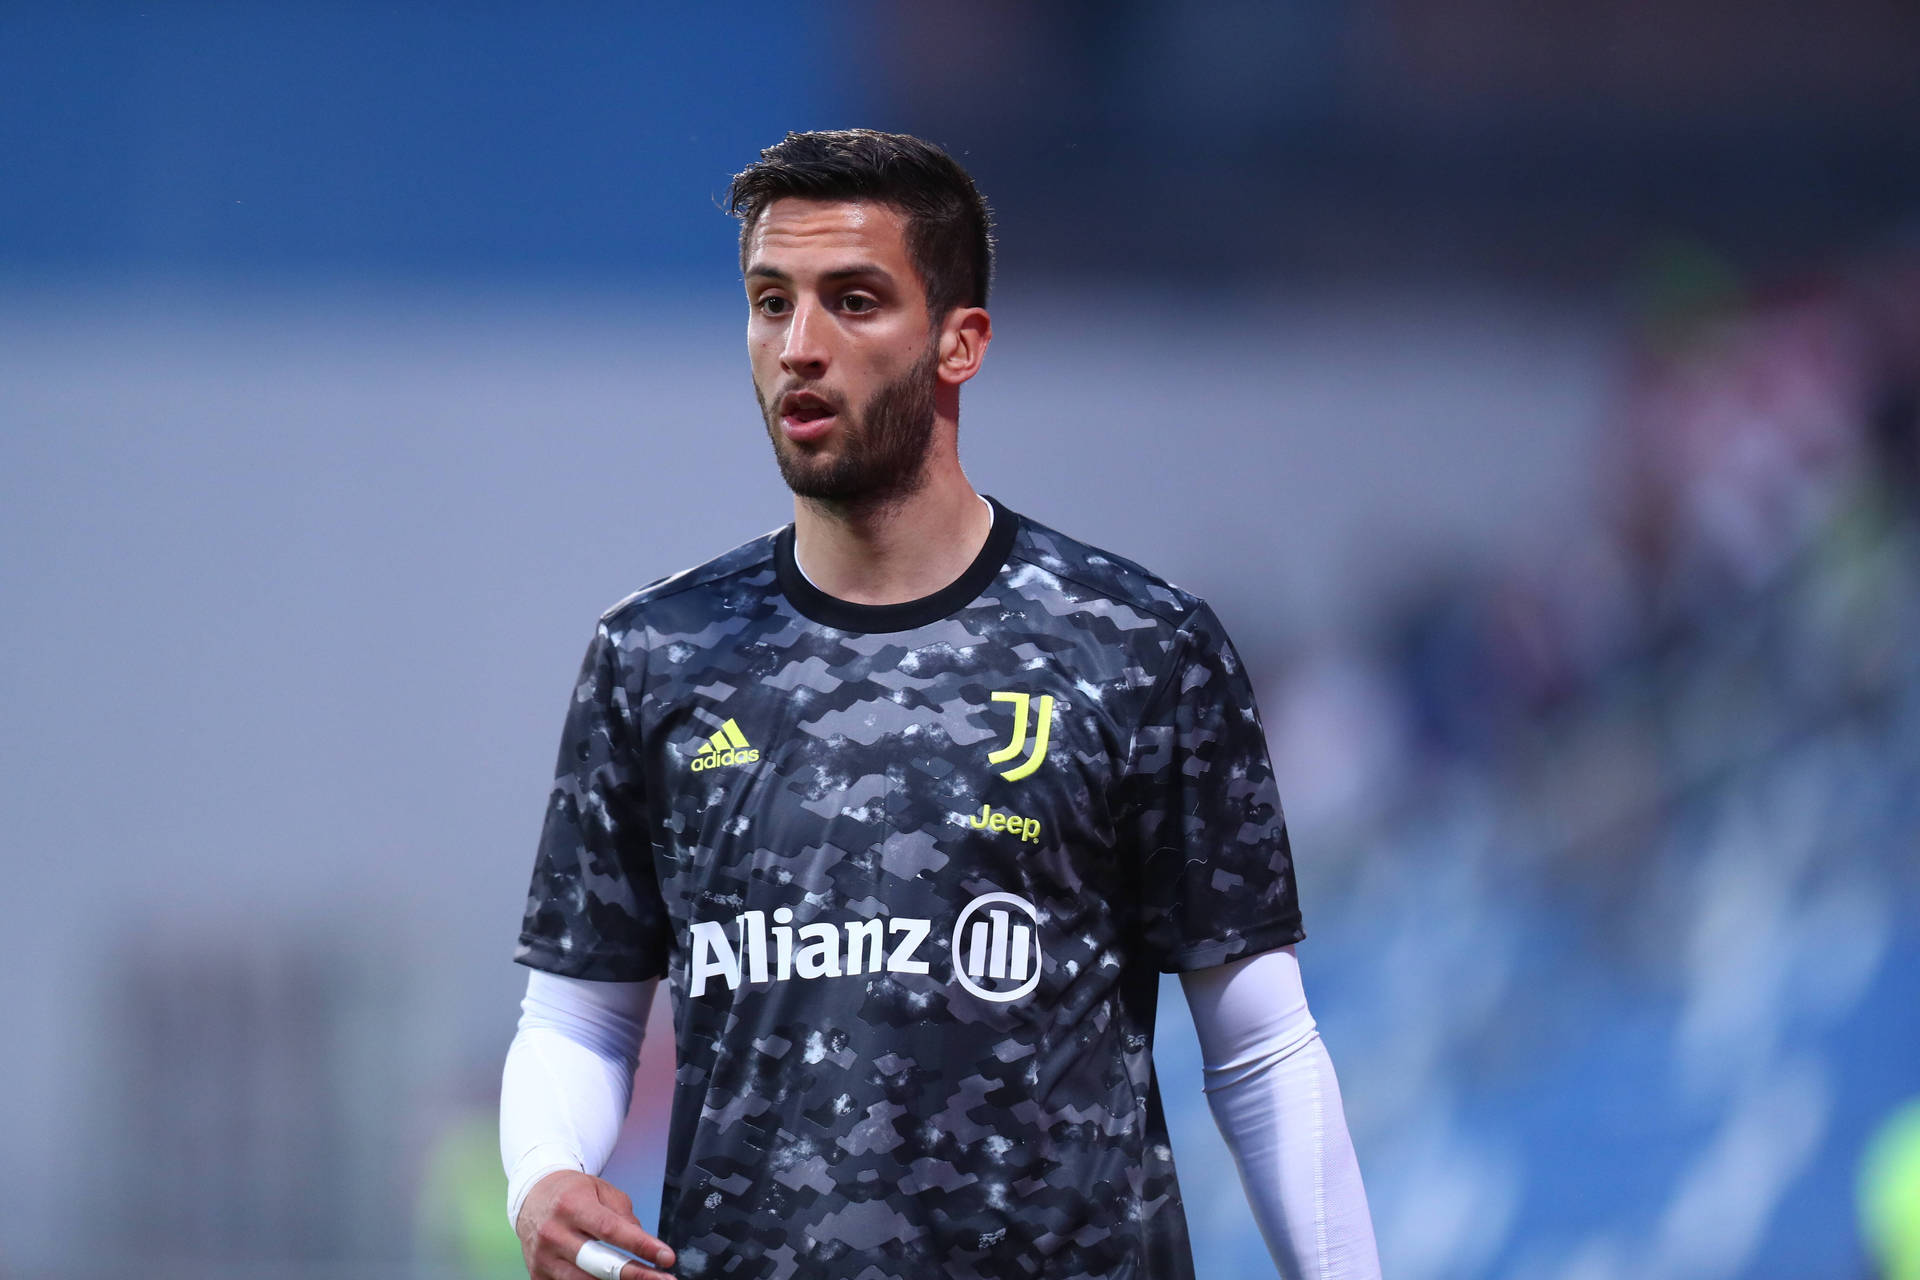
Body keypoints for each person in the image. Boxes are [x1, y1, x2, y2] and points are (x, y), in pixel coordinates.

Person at [499, 128, 1380, 1280]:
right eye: (771, 303)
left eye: (853, 301)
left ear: (960, 342)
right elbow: (581, 1018)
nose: (799, 347)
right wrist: (542, 1171)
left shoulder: (1136, 646)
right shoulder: (655, 656)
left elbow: (1260, 1046)